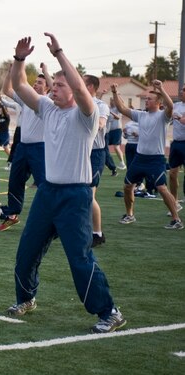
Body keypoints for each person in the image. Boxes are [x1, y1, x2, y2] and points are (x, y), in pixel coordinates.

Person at [7, 33, 125, 333]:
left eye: (59, 85)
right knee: (26, 253)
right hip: (48, 192)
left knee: (80, 259)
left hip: (75, 195)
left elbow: (79, 89)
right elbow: (19, 85)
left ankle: (109, 312)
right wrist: (19, 59)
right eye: (53, 85)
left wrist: (59, 53)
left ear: (75, 90)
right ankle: (26, 298)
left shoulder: (87, 113)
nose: (52, 89)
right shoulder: (47, 108)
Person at [112, 80, 182, 229]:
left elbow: (170, 106)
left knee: (162, 188)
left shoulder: (163, 116)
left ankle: (176, 220)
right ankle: (130, 215)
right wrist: (114, 93)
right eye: (146, 99)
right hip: (139, 158)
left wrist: (161, 88)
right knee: (127, 186)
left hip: (155, 159)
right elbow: (122, 108)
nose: (146, 101)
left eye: (149, 99)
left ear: (158, 102)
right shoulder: (141, 115)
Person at [0, 65, 50, 231]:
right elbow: (7, 89)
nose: (35, 84)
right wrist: (10, 72)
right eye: (35, 82)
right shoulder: (26, 100)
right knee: (15, 181)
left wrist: (47, 72)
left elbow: (54, 87)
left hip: (40, 148)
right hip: (22, 147)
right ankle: (12, 215)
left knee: (44, 185)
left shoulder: (48, 102)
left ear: (47, 87)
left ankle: (50, 219)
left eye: (40, 83)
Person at [84, 75, 110, 247]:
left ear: (91, 86)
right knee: (77, 193)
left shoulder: (101, 105)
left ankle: (97, 233)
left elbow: (100, 124)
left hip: (96, 153)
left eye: (82, 83)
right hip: (81, 152)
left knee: (88, 194)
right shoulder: (76, 103)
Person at [167, 85, 185, 209]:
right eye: (182, 89)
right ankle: (175, 202)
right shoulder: (176, 105)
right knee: (172, 174)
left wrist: (178, 117)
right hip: (176, 143)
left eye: (184, 90)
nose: (181, 92)